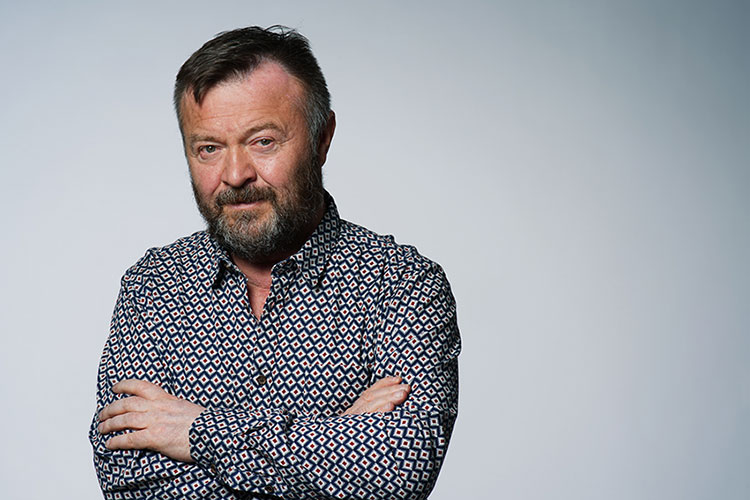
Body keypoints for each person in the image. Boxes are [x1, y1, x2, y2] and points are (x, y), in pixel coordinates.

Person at [89, 25, 460, 500]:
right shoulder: (153, 285)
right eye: (208, 148)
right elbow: (131, 482)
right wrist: (336, 439)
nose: (235, 175)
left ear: (322, 138)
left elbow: (397, 473)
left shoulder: (404, 284)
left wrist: (196, 430)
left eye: (262, 141)